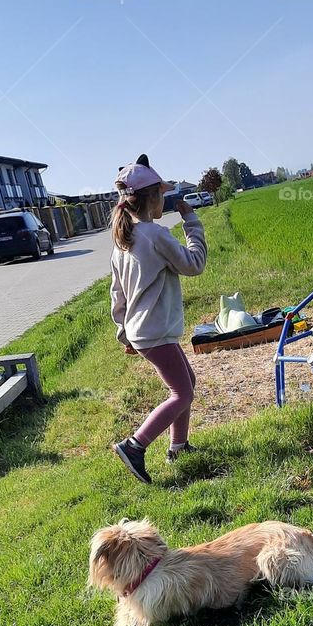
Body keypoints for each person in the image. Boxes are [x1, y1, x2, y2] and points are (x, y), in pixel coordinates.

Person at [109, 156, 207, 483]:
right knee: (182, 393)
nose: (164, 199)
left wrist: (125, 335)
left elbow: (117, 296)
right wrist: (192, 223)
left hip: (144, 332)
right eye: (161, 194)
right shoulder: (155, 235)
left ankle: (178, 447)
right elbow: (193, 264)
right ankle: (134, 445)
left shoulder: (123, 242)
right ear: (153, 198)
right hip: (155, 332)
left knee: (186, 384)